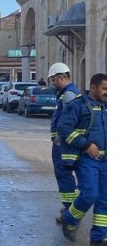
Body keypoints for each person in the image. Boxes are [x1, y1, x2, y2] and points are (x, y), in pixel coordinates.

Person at [60, 73, 107, 246]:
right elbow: (64, 129)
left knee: (104, 199)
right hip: (87, 159)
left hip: (105, 160)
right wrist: (86, 145)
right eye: (104, 88)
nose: (107, 92)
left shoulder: (106, 107)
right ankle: (69, 219)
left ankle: (98, 236)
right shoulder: (78, 105)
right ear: (93, 87)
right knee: (90, 194)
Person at [47, 62, 82, 224]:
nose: (52, 83)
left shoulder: (68, 95)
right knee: (65, 177)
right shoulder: (66, 93)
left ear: (61, 78)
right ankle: (71, 206)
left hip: (64, 145)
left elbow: (66, 122)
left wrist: (59, 140)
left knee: (64, 177)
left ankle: (70, 211)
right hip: (63, 143)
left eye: (53, 80)